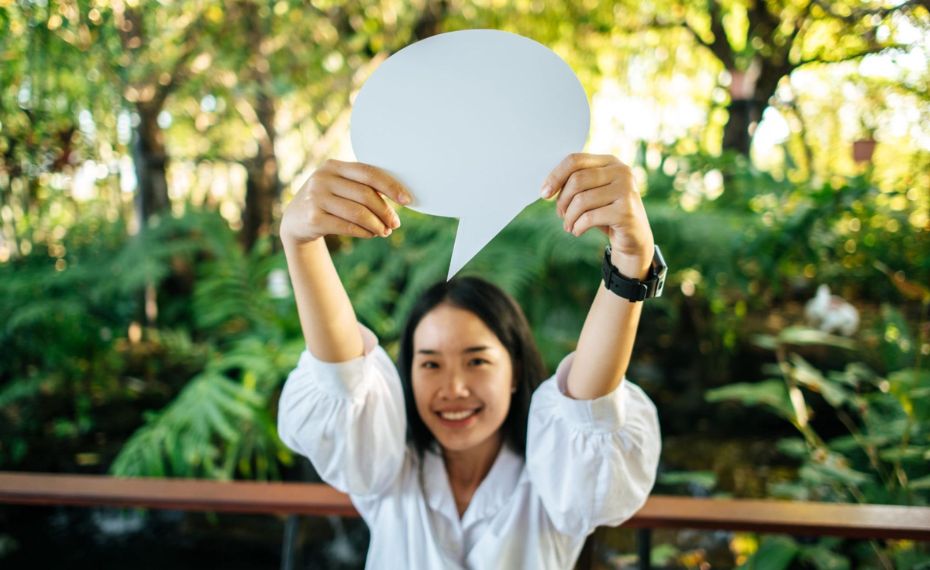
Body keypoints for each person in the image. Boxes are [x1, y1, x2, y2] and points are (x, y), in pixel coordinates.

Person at [277, 153, 663, 569]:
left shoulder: (558, 477)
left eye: (477, 362)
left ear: (514, 370)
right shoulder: (385, 468)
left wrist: (631, 261)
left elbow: (590, 413)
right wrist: (301, 243)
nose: (454, 388)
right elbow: (342, 380)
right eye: (430, 364)